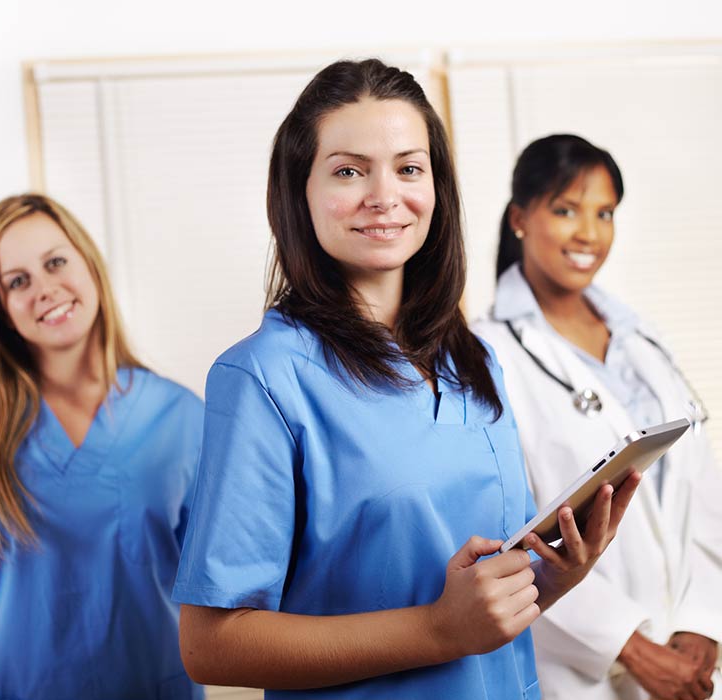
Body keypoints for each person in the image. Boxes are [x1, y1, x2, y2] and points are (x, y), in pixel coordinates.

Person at [171, 60, 640, 700]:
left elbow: (479, 594)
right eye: (348, 170)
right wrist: (437, 631)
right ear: (296, 191)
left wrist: (553, 578)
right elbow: (211, 644)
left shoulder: (473, 360)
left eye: (408, 167)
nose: (384, 195)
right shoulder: (263, 377)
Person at [0, 194, 205, 699]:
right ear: (1, 310)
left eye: (55, 262)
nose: (45, 289)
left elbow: (210, 580)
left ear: (88, 264)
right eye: (17, 281)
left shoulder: (182, 419)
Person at [473, 133, 722, 700]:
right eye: (565, 210)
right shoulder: (485, 355)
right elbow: (507, 531)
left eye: (604, 212)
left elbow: (701, 488)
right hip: (587, 674)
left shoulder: (641, 339)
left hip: (692, 659)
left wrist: (702, 623)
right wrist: (628, 646)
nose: (588, 233)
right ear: (520, 218)